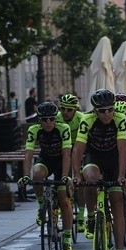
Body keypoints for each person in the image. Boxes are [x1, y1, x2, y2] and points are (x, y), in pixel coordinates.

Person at [71, 89, 126, 250]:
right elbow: (78, 149)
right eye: (103, 111)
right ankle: (90, 216)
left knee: (117, 201)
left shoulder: (120, 119)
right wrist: (76, 175)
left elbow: (122, 148)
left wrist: (121, 176)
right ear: (95, 111)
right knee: (90, 178)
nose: (107, 114)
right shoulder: (87, 120)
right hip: (94, 156)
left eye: (110, 110)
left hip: (113, 159)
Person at [18, 102, 74, 250]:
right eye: (44, 120)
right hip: (46, 160)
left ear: (56, 119)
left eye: (51, 119)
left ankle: (68, 240)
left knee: (63, 200)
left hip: (61, 163)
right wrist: (25, 176)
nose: (48, 122)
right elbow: (28, 153)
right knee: (37, 175)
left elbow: (66, 154)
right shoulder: (34, 130)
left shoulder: (63, 128)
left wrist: (64, 176)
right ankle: (42, 203)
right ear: (39, 121)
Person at [56, 94, 88, 232]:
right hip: (62, 148)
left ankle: (81, 216)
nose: (65, 112)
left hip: (78, 146)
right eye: (62, 109)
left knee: (79, 180)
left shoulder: (81, 119)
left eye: (69, 110)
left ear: (75, 110)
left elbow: (86, 140)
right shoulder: (56, 118)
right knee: (61, 181)